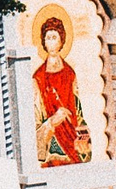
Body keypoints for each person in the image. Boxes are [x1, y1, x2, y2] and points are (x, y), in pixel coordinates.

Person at [31, 11, 91, 166]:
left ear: (61, 41)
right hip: (52, 141)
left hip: (71, 135)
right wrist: (52, 121)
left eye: (54, 37)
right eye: (48, 38)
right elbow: (36, 117)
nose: (51, 42)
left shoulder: (69, 73)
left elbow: (78, 109)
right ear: (43, 42)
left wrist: (82, 133)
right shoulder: (39, 77)